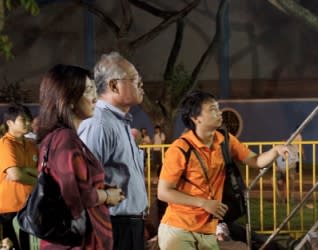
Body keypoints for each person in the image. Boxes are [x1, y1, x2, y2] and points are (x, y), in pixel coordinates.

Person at [157, 91, 290, 250]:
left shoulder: (225, 140)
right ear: (196, 118)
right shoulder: (180, 149)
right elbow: (163, 192)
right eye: (212, 109)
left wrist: (275, 151)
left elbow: (256, 161)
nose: (219, 113)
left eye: (218, 108)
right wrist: (203, 203)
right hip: (179, 229)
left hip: (208, 230)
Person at [36, 64, 124, 250]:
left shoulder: (59, 138)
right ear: (68, 100)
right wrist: (107, 195)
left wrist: (100, 187)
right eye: (89, 91)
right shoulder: (65, 139)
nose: (95, 98)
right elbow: (72, 197)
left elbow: (73, 185)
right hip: (78, 243)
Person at [78, 52, 148, 250]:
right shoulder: (99, 124)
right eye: (135, 79)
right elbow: (83, 184)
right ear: (113, 85)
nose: (141, 83)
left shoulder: (120, 122)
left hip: (130, 226)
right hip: (112, 227)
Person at [0, 104, 37, 250]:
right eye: (23, 120)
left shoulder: (31, 145)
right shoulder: (5, 144)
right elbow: (15, 175)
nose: (28, 123)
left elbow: (42, 171)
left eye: (29, 119)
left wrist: (26, 170)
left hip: (29, 209)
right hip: (9, 211)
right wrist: (37, 180)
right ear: (10, 123)